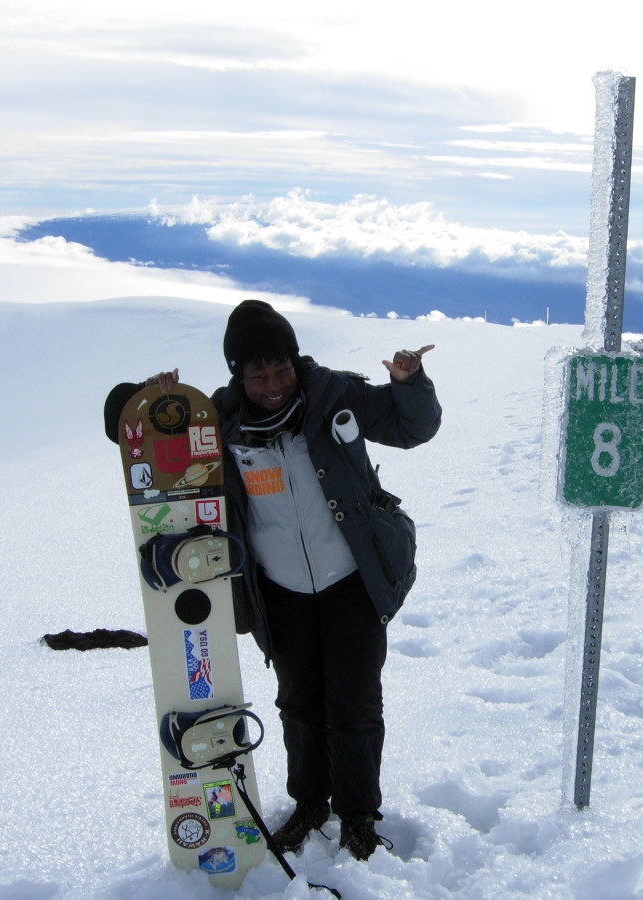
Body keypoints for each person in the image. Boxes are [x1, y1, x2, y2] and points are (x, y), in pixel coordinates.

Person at [104, 299, 441, 860]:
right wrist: (152, 399)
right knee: (300, 704)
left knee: (356, 706)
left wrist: (410, 381)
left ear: (294, 359)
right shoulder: (217, 421)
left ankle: (358, 815)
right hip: (279, 591)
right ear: (238, 373)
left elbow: (414, 427)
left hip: (351, 580)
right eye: (257, 373)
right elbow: (133, 435)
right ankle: (309, 804)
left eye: (281, 368)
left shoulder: (335, 394)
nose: (273, 383)